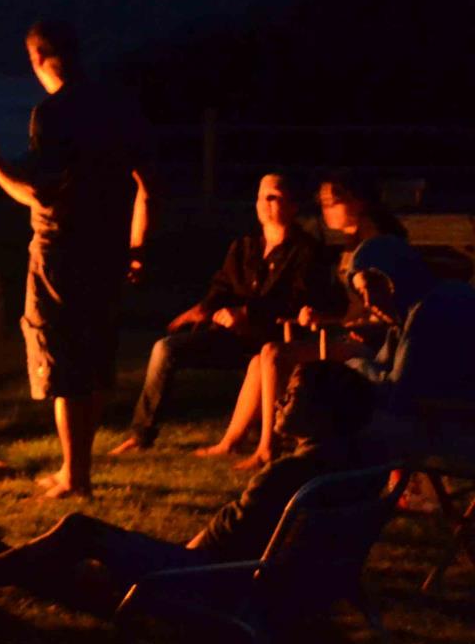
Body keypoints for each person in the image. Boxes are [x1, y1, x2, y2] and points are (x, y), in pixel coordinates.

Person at [0, 360, 381, 617]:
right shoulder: (359, 466)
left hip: (222, 585)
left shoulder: (290, 475)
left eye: (293, 395)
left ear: (323, 413)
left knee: (81, 531)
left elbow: (227, 542)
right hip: (279, 588)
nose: (280, 400)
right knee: (96, 558)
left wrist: (175, 562)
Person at [0, 19, 152, 499]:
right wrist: (137, 245)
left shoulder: (54, 113)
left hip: (63, 251)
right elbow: (148, 186)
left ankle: (76, 478)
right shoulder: (116, 107)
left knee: (64, 360)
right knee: (92, 357)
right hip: (108, 247)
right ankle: (78, 468)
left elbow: (40, 195)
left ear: (38, 57)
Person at [197, 172, 403, 468]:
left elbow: (387, 310)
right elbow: (352, 307)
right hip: (350, 333)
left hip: (374, 342)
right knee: (260, 360)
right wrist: (324, 316)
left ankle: (269, 446)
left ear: (357, 202)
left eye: (331, 202)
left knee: (273, 352)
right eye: (321, 202)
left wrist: (351, 325)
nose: (324, 209)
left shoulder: (377, 246)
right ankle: (231, 441)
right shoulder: (352, 243)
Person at [112, 173, 321, 454]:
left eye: (273, 197)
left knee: (262, 356)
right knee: (166, 348)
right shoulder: (246, 247)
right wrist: (204, 309)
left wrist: (247, 313)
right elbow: (222, 286)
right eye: (260, 196)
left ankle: (256, 436)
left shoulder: (305, 252)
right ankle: (141, 434)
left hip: (273, 337)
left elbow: (298, 300)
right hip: (231, 336)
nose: (263, 203)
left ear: (293, 205)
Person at [346, 234, 475, 443]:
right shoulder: (405, 313)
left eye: (374, 285)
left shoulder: (434, 306)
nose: (368, 301)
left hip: (458, 422)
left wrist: (352, 365)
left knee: (343, 421)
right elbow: (383, 367)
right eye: (361, 292)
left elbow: (397, 393)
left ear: (397, 275)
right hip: (441, 411)